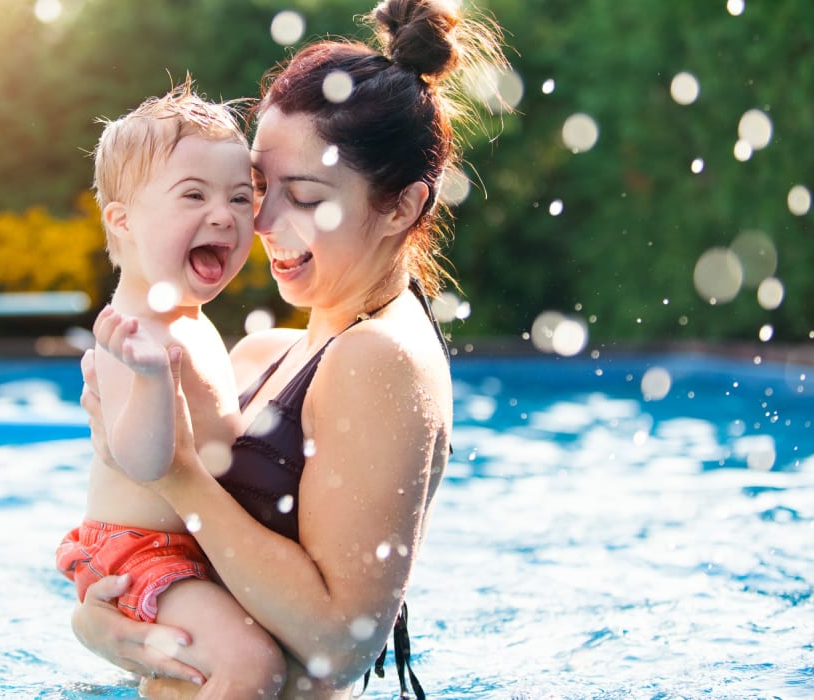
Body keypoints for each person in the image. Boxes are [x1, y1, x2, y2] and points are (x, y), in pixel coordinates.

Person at [73, 0, 508, 697]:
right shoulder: (269, 354)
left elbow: (340, 641)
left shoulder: (379, 358)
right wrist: (103, 622)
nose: (264, 222)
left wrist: (177, 475)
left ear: (401, 207)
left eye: (303, 195)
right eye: (259, 187)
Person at [54, 82, 287, 699]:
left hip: (190, 546)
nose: (224, 215)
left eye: (242, 198)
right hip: (141, 554)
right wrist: (154, 378)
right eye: (194, 195)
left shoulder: (186, 317)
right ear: (123, 219)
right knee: (252, 667)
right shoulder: (130, 333)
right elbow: (146, 461)